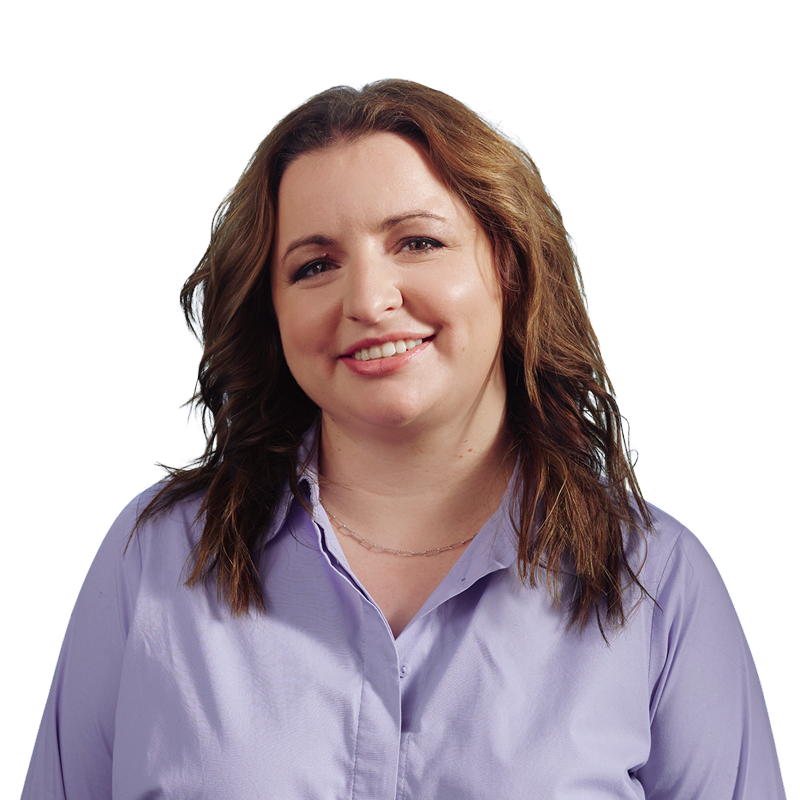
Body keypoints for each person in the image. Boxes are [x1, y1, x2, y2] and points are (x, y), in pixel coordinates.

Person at [22, 78, 784, 799]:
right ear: (271, 311)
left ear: (511, 266)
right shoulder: (155, 556)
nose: (367, 299)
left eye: (417, 242)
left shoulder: (659, 581)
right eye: (315, 265)